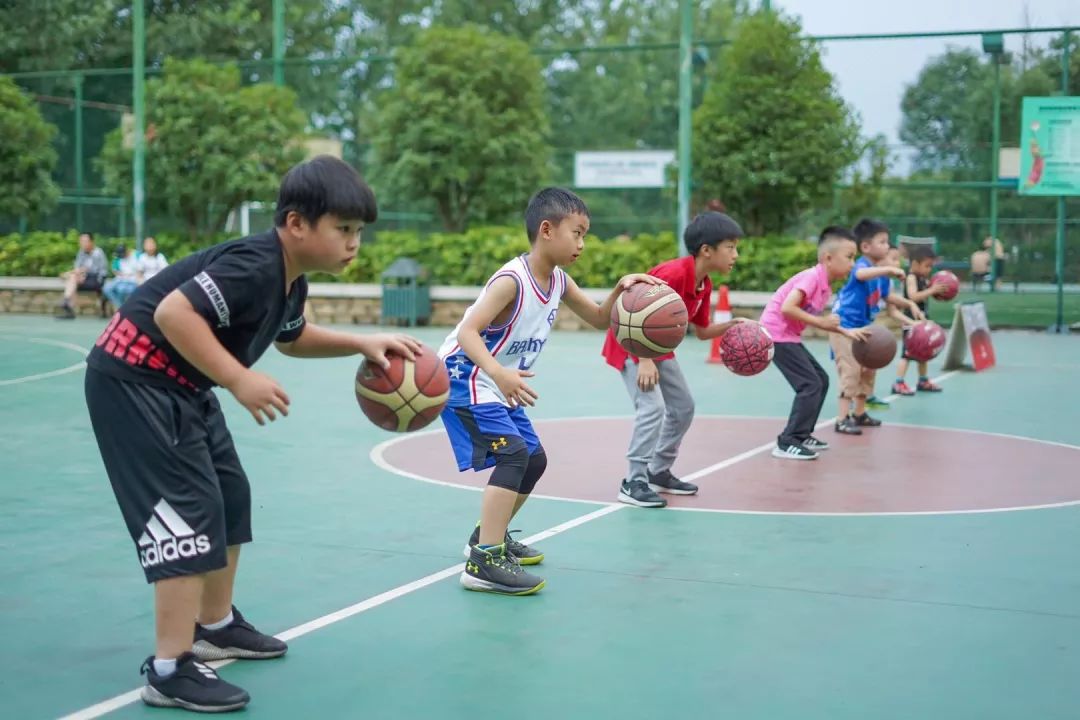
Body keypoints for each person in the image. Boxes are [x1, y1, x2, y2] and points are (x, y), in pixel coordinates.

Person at [83, 155, 420, 712]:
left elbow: (291, 337)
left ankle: (214, 624)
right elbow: (173, 314)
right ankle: (169, 666)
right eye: (343, 230)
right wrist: (238, 378)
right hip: (133, 382)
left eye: (357, 232)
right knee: (186, 509)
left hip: (180, 384)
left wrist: (360, 343)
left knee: (229, 494)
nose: (353, 243)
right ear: (296, 224)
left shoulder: (289, 281)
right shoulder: (255, 264)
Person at [438, 187, 658, 596]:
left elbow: (597, 318)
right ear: (546, 230)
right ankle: (483, 561)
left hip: (498, 382)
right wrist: (498, 373)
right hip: (464, 377)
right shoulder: (512, 281)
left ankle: (490, 535)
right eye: (577, 232)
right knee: (514, 454)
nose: (582, 243)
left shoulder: (558, 280)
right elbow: (467, 331)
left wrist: (621, 290)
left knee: (534, 459)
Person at [600, 211, 747, 508]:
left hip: (656, 348)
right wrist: (643, 360)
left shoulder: (703, 284)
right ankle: (634, 481)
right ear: (707, 250)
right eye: (730, 247)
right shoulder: (672, 274)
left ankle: (658, 470)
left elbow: (703, 332)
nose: (736, 255)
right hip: (630, 343)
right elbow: (631, 313)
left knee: (683, 407)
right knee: (652, 407)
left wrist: (732, 326)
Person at [761, 227, 869, 459]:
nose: (853, 264)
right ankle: (787, 440)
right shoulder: (812, 277)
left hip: (787, 336)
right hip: (775, 335)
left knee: (821, 379)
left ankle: (802, 434)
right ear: (828, 258)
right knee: (809, 384)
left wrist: (847, 332)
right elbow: (787, 308)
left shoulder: (825, 284)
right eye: (849, 257)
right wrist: (822, 322)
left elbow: (823, 322)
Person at [830, 219, 923, 435]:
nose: (886, 246)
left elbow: (888, 296)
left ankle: (860, 413)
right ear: (865, 247)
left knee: (869, 369)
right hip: (843, 326)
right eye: (882, 242)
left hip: (864, 327)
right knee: (851, 372)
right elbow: (860, 276)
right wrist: (889, 269)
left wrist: (909, 303)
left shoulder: (880, 274)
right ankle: (842, 418)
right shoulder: (860, 265)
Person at [892, 245, 950, 395]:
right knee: (907, 354)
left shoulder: (923, 278)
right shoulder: (911, 277)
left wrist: (938, 293)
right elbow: (913, 296)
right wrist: (932, 290)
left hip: (922, 320)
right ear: (915, 264)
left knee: (924, 352)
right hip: (910, 322)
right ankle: (898, 382)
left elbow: (926, 294)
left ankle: (923, 380)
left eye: (931, 266)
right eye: (927, 266)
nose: (929, 269)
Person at [57, 231, 108, 319]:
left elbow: (92, 270)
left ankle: (67, 302)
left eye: (85, 241)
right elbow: (78, 267)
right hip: (83, 277)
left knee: (72, 278)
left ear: (92, 242)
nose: (82, 244)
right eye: (81, 241)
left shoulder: (98, 253)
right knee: (73, 279)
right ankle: (68, 305)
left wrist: (71, 273)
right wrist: (76, 274)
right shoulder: (81, 252)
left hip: (97, 279)